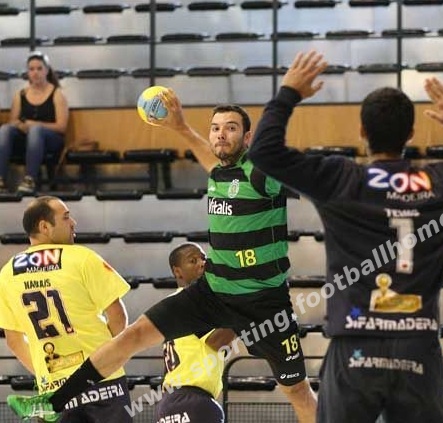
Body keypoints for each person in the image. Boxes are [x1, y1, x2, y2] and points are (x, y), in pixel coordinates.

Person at [246, 51, 443, 422]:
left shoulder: (341, 178)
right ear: (411, 135)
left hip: (355, 345)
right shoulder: (442, 182)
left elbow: (263, 152)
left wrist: (288, 93)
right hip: (418, 347)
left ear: (362, 132)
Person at [7, 96, 318, 423]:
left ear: (247, 137)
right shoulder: (219, 173)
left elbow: (302, 180)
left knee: (297, 391)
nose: (221, 134)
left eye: (230, 128)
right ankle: (54, 402)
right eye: (215, 128)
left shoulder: (260, 172)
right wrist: (179, 126)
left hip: (264, 301)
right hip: (214, 291)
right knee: (134, 335)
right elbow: (208, 158)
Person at [0, 196, 131, 423]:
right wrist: (106, 361)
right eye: (66, 217)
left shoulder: (7, 273)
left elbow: (14, 340)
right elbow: (117, 316)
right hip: (103, 384)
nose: (73, 223)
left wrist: (46, 375)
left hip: (54, 393)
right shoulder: (82, 257)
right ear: (44, 227)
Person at [156, 242, 236, 423]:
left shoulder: (173, 302)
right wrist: (245, 308)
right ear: (177, 272)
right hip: (193, 402)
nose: (202, 263)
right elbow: (216, 342)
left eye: (203, 259)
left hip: (168, 403)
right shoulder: (193, 301)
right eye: (193, 261)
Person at [0, 51, 69, 194]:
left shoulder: (57, 94)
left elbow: (62, 127)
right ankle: (1, 179)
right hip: (27, 138)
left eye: (39, 68)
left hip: (51, 139)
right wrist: (22, 125)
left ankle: (29, 180)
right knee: (5, 129)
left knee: (36, 131)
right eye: (31, 69)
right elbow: (13, 121)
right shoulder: (21, 94)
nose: (35, 73)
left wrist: (35, 125)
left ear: (46, 70)